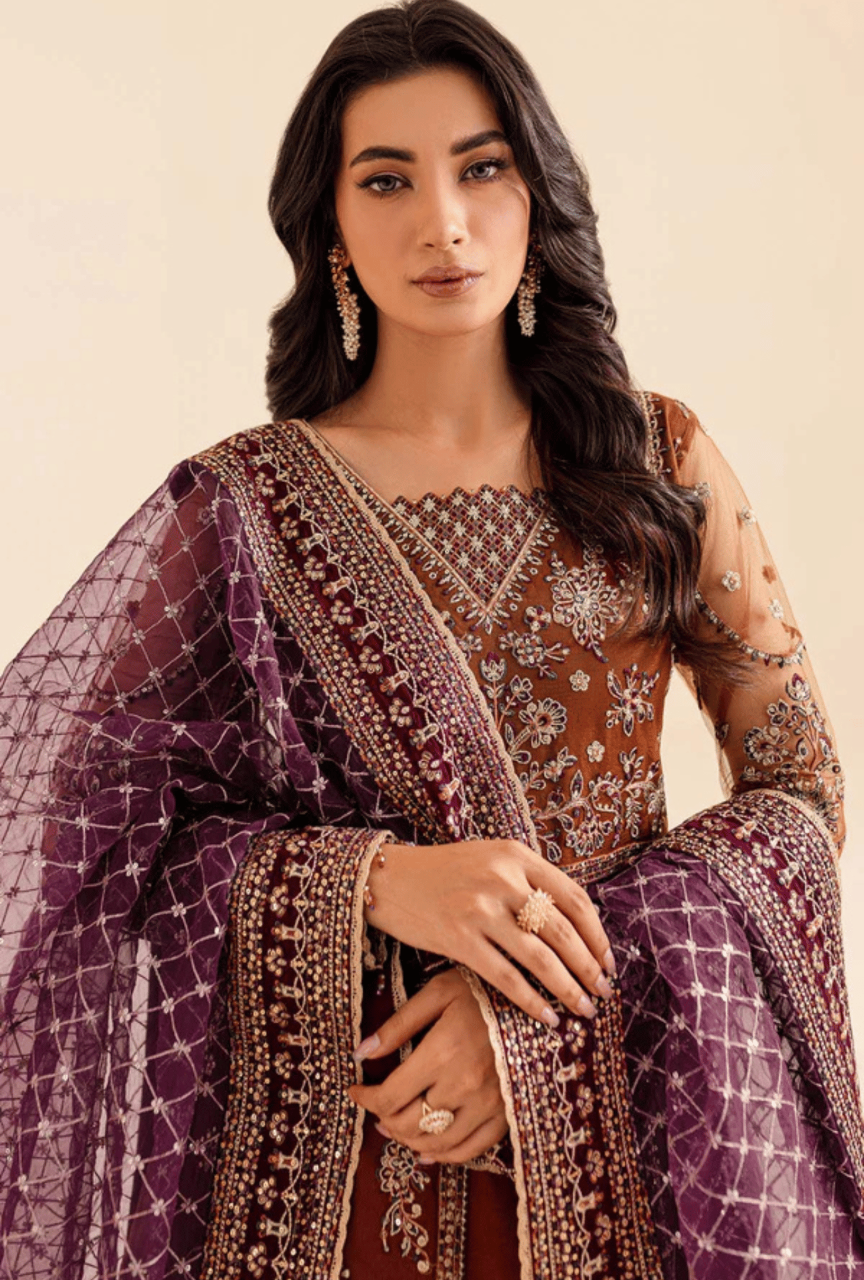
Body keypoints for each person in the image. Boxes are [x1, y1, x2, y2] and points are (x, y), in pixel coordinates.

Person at [0, 1, 861, 1276]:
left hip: (632, 1136)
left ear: (537, 193)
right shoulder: (240, 508)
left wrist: (535, 1009)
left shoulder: (658, 459)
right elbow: (92, 834)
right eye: (387, 178)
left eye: (481, 166)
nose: (442, 221)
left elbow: (799, 788)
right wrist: (382, 883)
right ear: (332, 226)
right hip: (341, 1180)